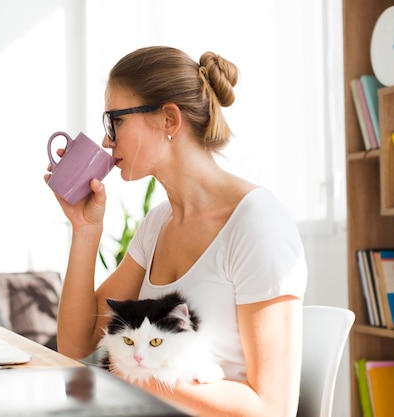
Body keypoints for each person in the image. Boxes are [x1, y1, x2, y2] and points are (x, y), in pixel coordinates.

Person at [44, 46, 307, 417]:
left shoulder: (257, 224)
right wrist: (85, 229)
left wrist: (137, 373)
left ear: (169, 119)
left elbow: (273, 409)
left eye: (114, 121)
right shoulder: (157, 224)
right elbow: (75, 343)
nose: (107, 140)